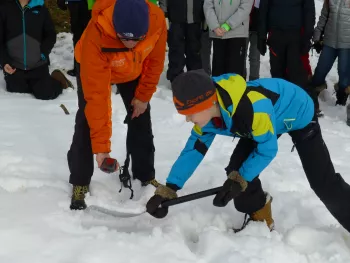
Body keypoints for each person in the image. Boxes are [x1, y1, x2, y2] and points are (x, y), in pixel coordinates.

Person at [146, 69, 350, 233]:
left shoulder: (252, 110)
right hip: (264, 122)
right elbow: (194, 149)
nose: (187, 119)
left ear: (209, 103)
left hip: (297, 113)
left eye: (189, 114)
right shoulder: (208, 115)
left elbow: (267, 150)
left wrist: (240, 180)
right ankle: (260, 216)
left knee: (323, 182)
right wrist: (170, 188)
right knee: (237, 170)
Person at [67, 0, 167, 210]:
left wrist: (143, 96)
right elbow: (98, 98)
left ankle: (145, 175)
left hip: (133, 69)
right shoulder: (97, 34)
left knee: (141, 116)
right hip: (95, 63)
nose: (130, 43)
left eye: (137, 39)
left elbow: (155, 61)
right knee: (87, 119)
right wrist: (102, 149)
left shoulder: (156, 20)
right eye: (124, 38)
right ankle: (80, 180)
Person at [0, 0, 73, 100]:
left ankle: (59, 80)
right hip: (15, 66)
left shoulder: (40, 7)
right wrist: (5, 62)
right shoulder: (5, 7)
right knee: (16, 90)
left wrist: (43, 53)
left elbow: (50, 35)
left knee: (45, 94)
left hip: (37, 63)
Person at [258, 0, 315, 90]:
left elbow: (309, 11)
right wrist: (261, 36)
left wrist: (307, 37)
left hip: (295, 36)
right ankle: (280, 99)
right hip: (276, 35)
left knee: (295, 73)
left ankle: (295, 100)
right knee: (277, 73)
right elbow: (263, 9)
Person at [311, 0, 350, 106]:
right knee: (320, 71)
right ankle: (312, 98)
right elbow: (323, 17)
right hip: (329, 42)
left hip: (347, 45)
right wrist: (317, 37)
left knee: (344, 76)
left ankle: (341, 98)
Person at [204, 0, 253, 78]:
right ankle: (219, 89)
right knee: (218, 71)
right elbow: (208, 6)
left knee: (234, 72)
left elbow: (245, 7)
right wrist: (214, 26)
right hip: (218, 33)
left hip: (237, 33)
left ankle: (234, 90)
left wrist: (228, 25)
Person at [160, 0, 204, 82]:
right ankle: (176, 78)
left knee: (194, 50)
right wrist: (164, 13)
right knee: (176, 49)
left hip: (196, 18)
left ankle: (195, 78)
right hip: (175, 18)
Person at [57, 0, 92, 77]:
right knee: (88, 37)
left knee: (81, 38)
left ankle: (79, 68)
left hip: (82, 6)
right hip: (86, 6)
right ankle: (80, 68)